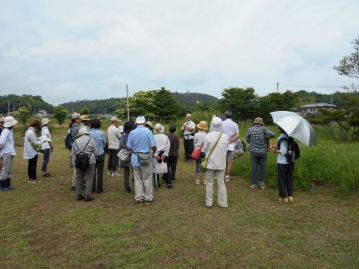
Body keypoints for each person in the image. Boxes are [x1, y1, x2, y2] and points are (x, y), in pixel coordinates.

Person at [126, 116, 156, 205]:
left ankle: (139, 198)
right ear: (144, 122)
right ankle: (148, 197)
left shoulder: (132, 132)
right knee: (147, 178)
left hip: (135, 158)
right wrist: (152, 152)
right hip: (146, 158)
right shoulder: (148, 132)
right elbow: (153, 146)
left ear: (136, 122)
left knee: (137, 179)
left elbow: (128, 147)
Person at [202, 117, 229, 208]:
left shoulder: (208, 136)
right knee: (221, 183)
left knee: (209, 183)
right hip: (221, 163)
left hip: (210, 163)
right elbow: (226, 149)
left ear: (211, 124)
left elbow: (204, 150)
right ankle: (223, 203)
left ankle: (209, 203)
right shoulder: (225, 136)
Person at [246, 117, 275, 190]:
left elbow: (248, 140)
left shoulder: (250, 129)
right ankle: (262, 184)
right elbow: (273, 134)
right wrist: (267, 136)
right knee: (263, 168)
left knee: (254, 168)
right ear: (261, 123)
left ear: (254, 123)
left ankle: (254, 184)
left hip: (253, 152)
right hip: (263, 152)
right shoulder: (263, 129)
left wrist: (253, 143)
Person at [72, 126, 99, 202]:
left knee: (78, 178)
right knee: (89, 178)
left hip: (78, 161)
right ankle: (88, 195)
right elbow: (96, 152)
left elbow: (72, 153)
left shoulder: (75, 141)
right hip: (90, 161)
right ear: (87, 133)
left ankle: (78, 194)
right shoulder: (91, 140)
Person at [274, 126, 295, 203]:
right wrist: (277, 148)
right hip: (291, 161)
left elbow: (283, 151)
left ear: (280, 129)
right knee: (289, 179)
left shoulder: (281, 138)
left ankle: (283, 197)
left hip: (282, 162)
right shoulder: (291, 138)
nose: (277, 128)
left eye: (278, 127)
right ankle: (290, 196)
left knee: (282, 179)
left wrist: (275, 151)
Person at [0, 116, 18, 191]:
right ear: (10, 124)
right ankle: (3, 186)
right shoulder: (6, 131)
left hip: (9, 152)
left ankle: (8, 185)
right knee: (5, 169)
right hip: (6, 153)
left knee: (8, 170)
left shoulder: (9, 131)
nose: (14, 125)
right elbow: (1, 142)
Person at [221, 111, 239, 182]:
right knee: (229, 162)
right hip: (231, 146)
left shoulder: (222, 123)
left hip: (222, 145)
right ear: (231, 116)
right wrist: (231, 141)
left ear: (225, 116)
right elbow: (238, 135)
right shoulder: (235, 124)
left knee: (221, 161)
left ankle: (220, 175)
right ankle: (227, 177)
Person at [90, 118, 106, 193]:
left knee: (92, 171)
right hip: (100, 154)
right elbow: (105, 143)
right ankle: (99, 189)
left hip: (92, 154)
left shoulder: (89, 133)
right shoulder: (102, 133)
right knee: (100, 172)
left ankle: (92, 188)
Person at [119, 120, 136, 193]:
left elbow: (120, 146)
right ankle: (137, 186)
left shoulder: (123, 136)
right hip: (133, 155)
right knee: (135, 171)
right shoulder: (133, 135)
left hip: (125, 154)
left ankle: (126, 188)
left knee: (126, 173)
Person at [154, 123, 171, 189]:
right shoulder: (165, 137)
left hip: (156, 154)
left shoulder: (153, 137)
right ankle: (168, 182)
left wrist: (155, 155)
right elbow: (168, 146)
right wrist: (165, 154)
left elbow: (152, 147)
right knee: (166, 168)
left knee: (156, 168)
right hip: (163, 154)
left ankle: (157, 183)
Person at [193, 121, 208, 185]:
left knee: (198, 164)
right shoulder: (207, 135)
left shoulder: (196, 134)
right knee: (204, 165)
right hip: (204, 151)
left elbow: (194, 143)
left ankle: (197, 180)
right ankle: (204, 180)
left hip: (197, 151)